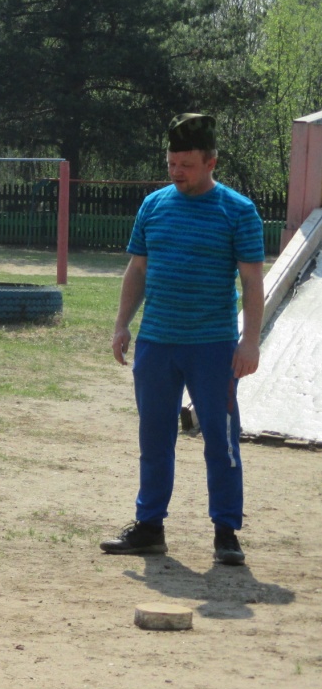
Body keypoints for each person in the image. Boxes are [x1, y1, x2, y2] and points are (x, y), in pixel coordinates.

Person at [103, 113, 264, 566]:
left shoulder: (238, 211)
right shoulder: (153, 206)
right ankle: (149, 528)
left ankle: (226, 533)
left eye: (186, 164)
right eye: (171, 163)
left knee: (221, 438)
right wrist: (121, 324)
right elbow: (137, 269)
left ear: (211, 161)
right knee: (154, 438)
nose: (176, 172)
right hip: (157, 343)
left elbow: (253, 282)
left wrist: (249, 342)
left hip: (213, 347)